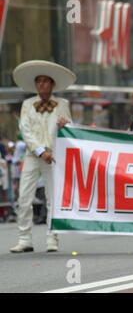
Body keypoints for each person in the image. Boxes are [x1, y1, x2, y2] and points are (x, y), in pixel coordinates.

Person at [9, 60, 75, 253]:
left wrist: (66, 125)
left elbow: (70, 128)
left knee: (52, 198)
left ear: (52, 84)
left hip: (54, 156)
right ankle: (24, 239)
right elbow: (25, 130)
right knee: (24, 197)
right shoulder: (27, 104)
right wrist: (40, 151)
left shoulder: (63, 104)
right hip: (33, 155)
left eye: (46, 81)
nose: (42, 84)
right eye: (39, 81)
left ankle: (52, 238)